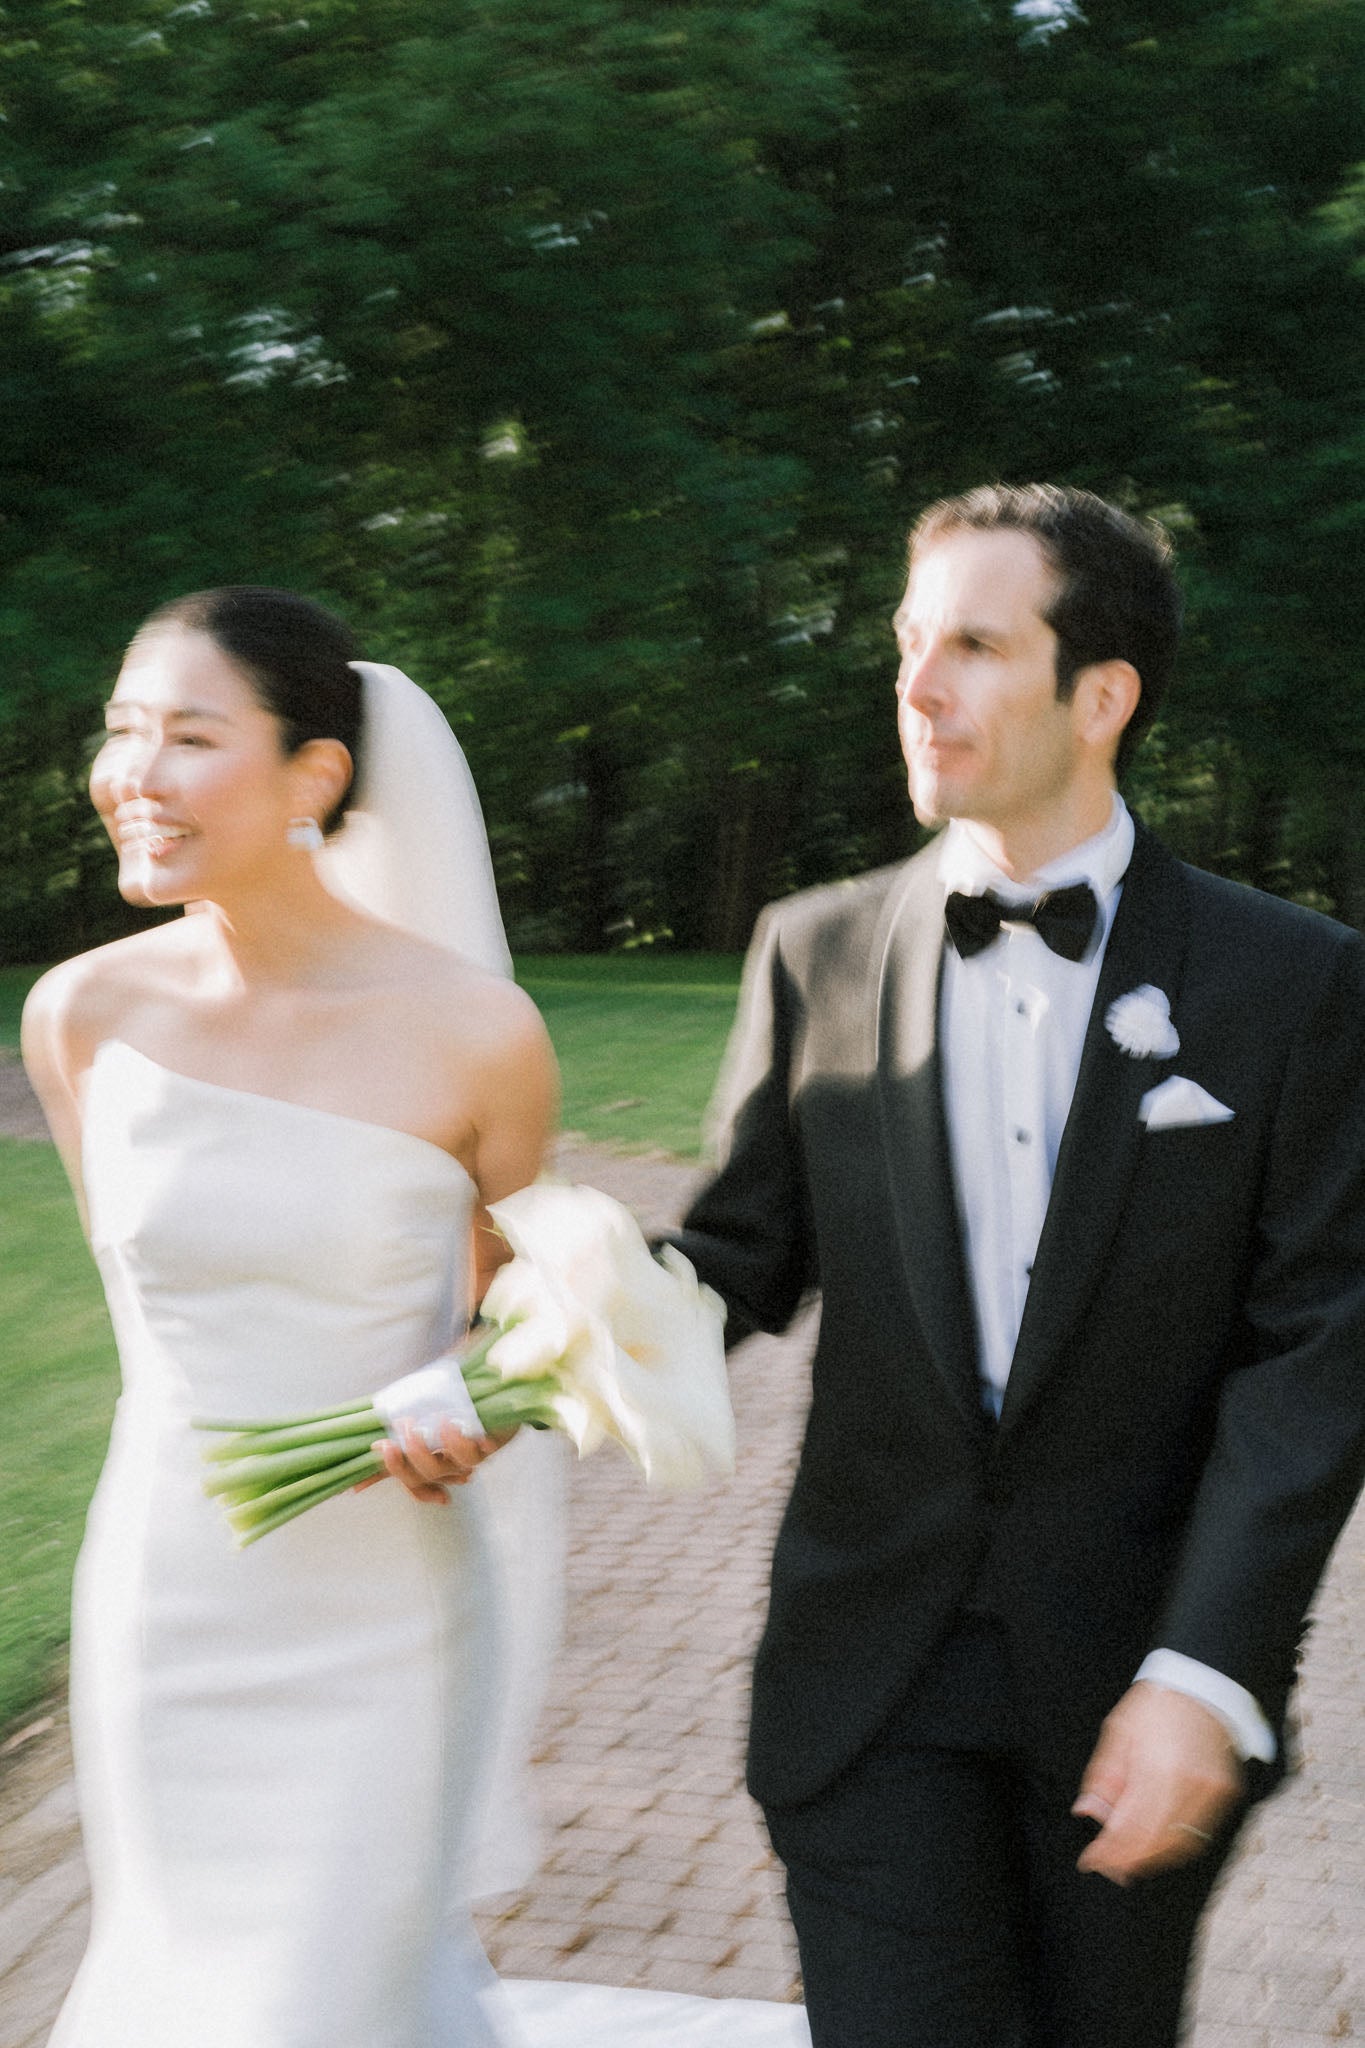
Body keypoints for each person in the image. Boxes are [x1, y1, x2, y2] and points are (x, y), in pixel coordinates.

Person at [669, 484, 1365, 2047]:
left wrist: (1207, 1670)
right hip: (868, 1678)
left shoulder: (1295, 982)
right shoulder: (815, 950)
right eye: (910, 644)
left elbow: (1320, 1349)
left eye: (972, 646)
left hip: (1141, 1683)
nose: (916, 686)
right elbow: (729, 1256)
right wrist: (536, 1336)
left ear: (1098, 695)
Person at [22, 587, 564, 2048]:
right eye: (124, 731)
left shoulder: (477, 1033)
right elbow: (154, 1314)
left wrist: (472, 1407)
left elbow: (530, 1323)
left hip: (387, 1618)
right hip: (168, 1605)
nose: (133, 771)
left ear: (314, 775)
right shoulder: (80, 1017)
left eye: (188, 736)